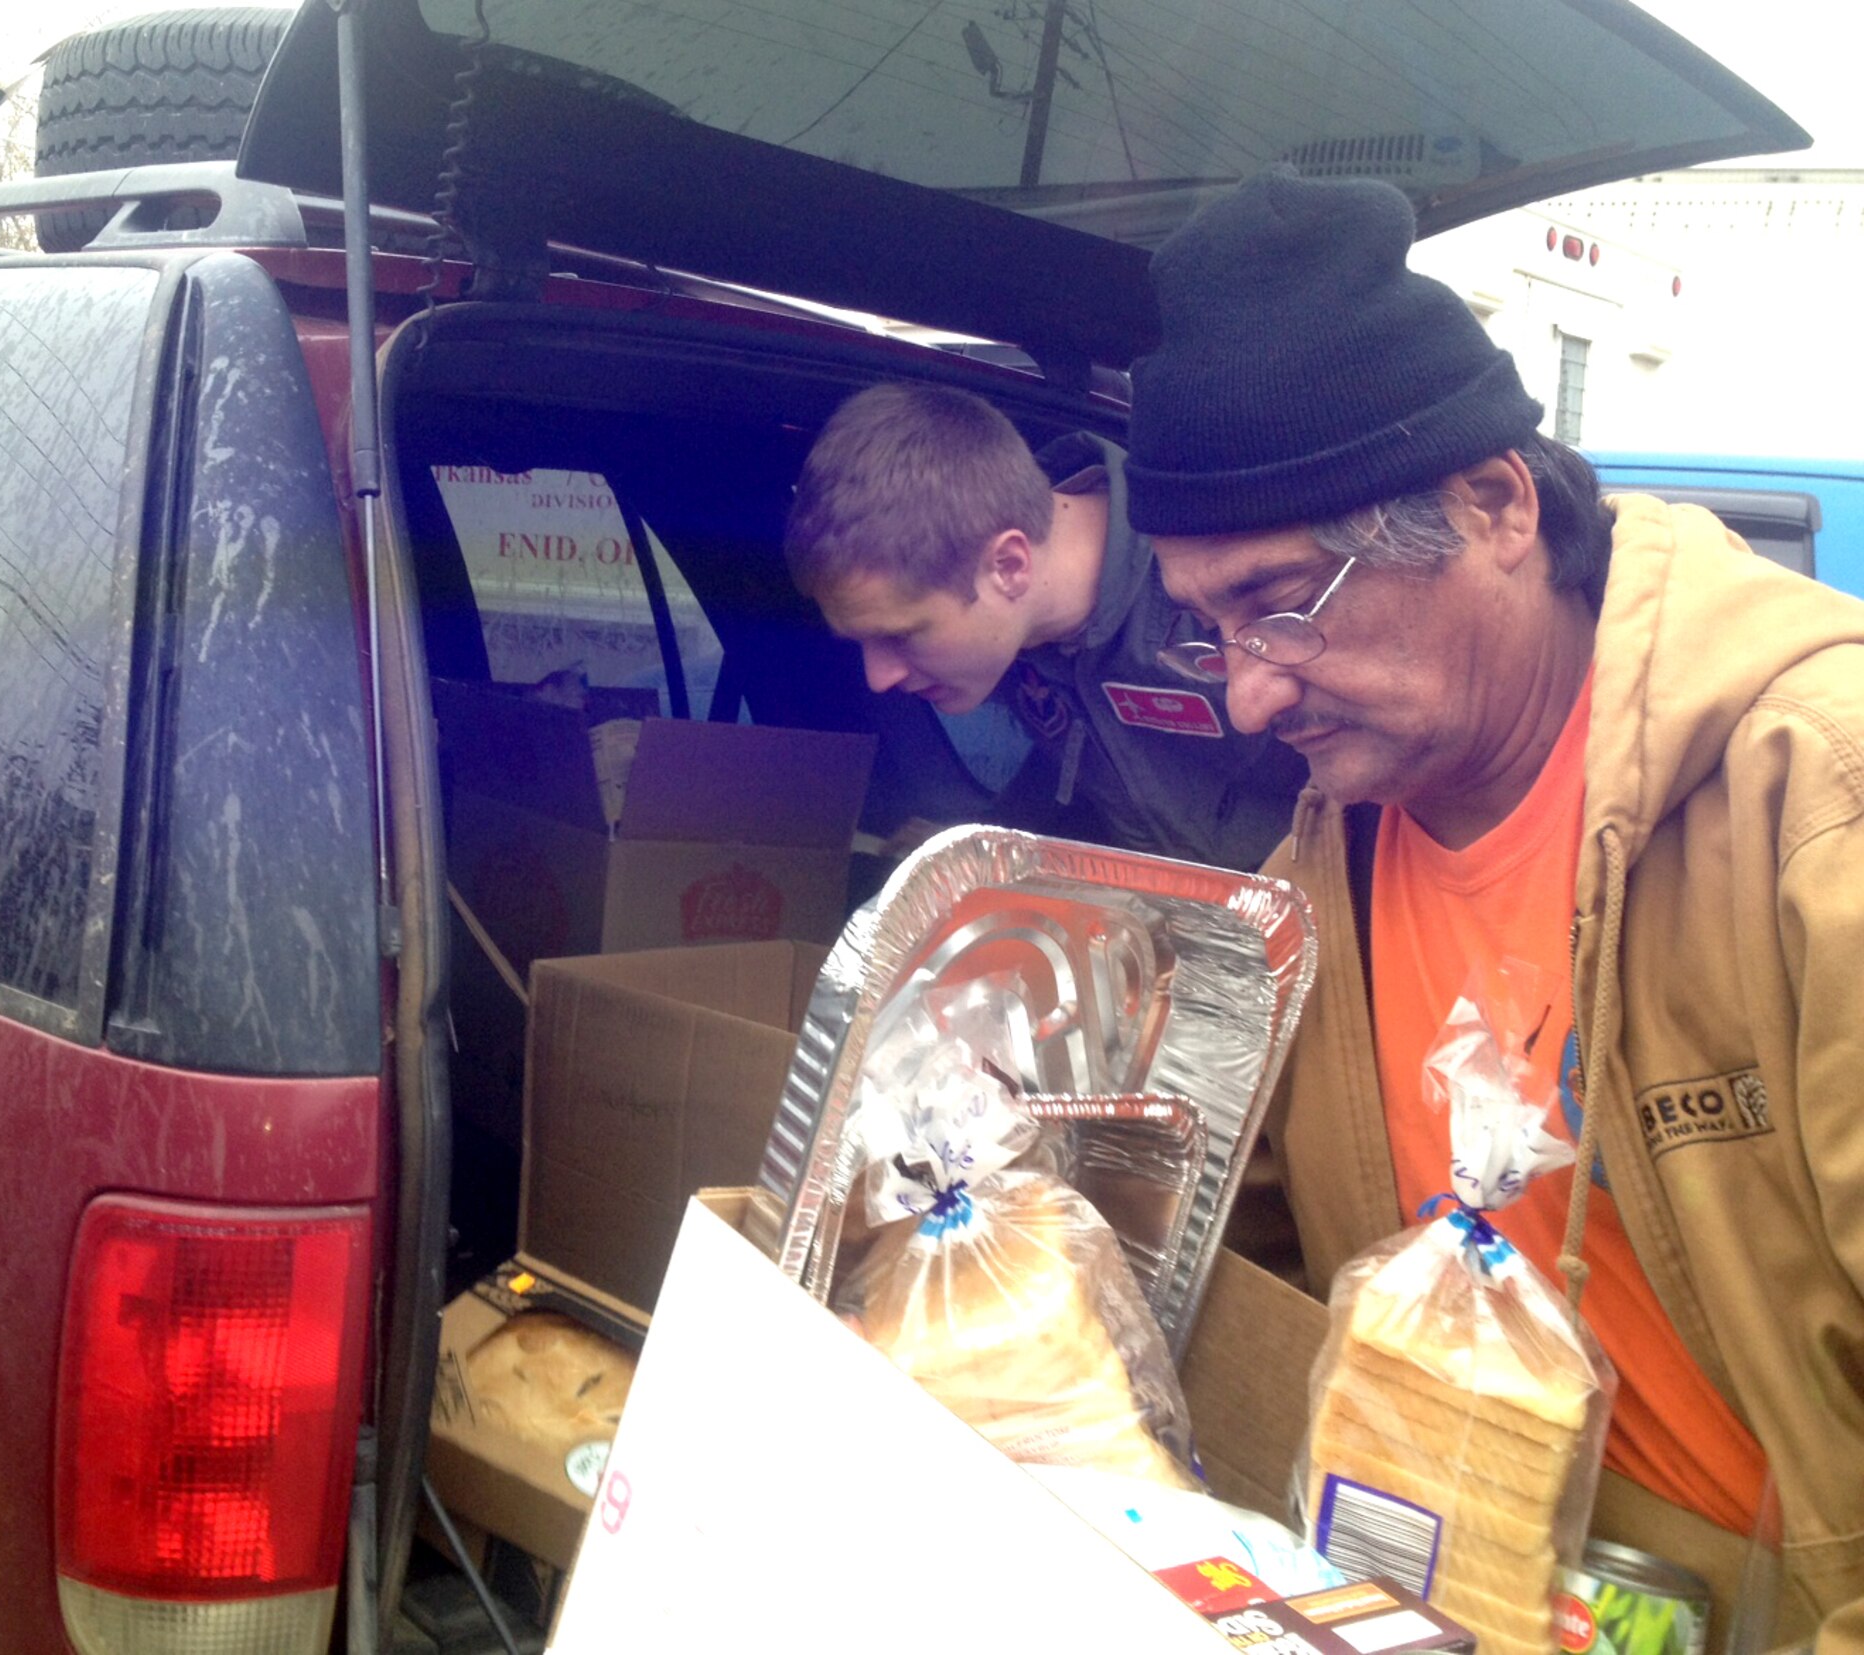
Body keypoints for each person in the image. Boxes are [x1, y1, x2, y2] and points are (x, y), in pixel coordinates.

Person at [1122, 167, 1864, 1644]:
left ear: (1496, 504)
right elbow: (1229, 1280)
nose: (1252, 689)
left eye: (1284, 602)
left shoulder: (1816, 802)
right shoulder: (1312, 884)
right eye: (1208, 632)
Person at [782, 380, 1306, 871]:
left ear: (1008, 566)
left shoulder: (1216, 579)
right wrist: (987, 845)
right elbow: (1082, 771)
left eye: (900, 635)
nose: (878, 677)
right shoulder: (1018, 636)